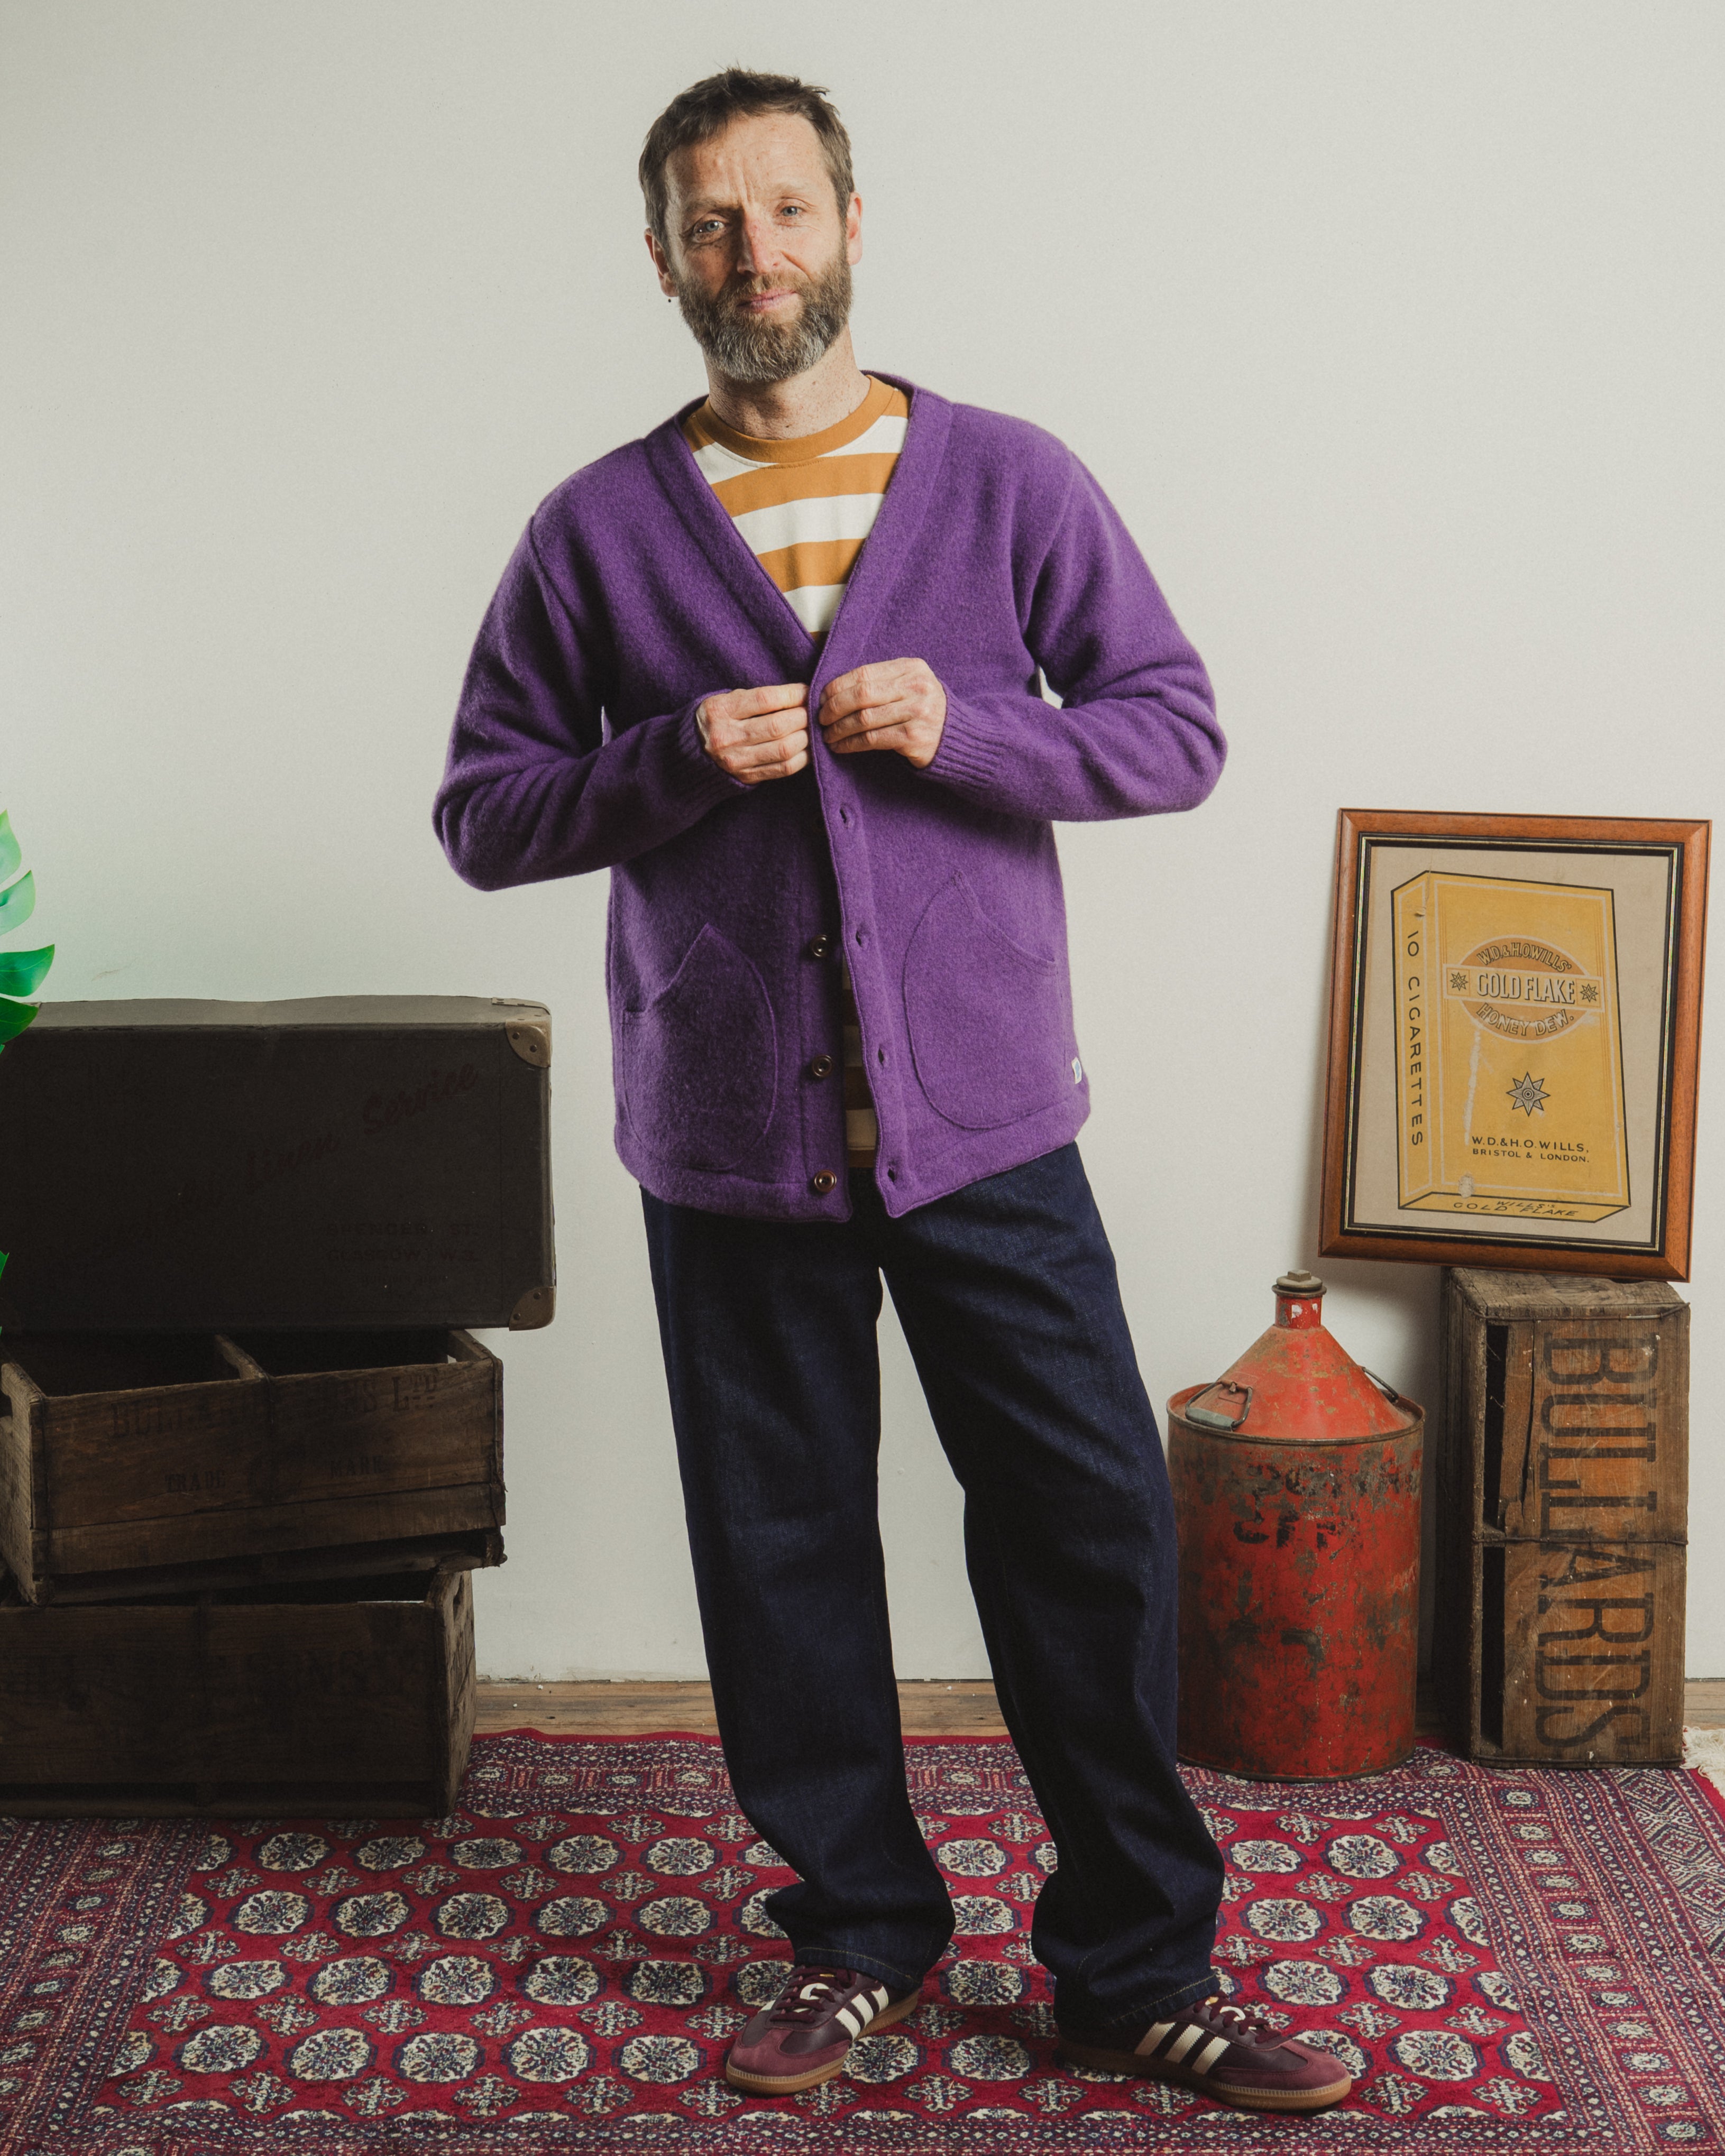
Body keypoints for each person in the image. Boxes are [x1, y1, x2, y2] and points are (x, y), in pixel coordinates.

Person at [435, 69, 1350, 2116]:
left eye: (782, 210)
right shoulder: (594, 527)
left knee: (1095, 1533)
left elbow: (1173, 730)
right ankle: (854, 1940)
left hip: (991, 1124)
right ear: (662, 255)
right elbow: (486, 816)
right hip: (730, 1139)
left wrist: (980, 728)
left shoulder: (1008, 479)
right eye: (706, 221)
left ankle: (1133, 1965)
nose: (750, 254)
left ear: (854, 221)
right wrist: (671, 756)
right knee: (782, 1553)